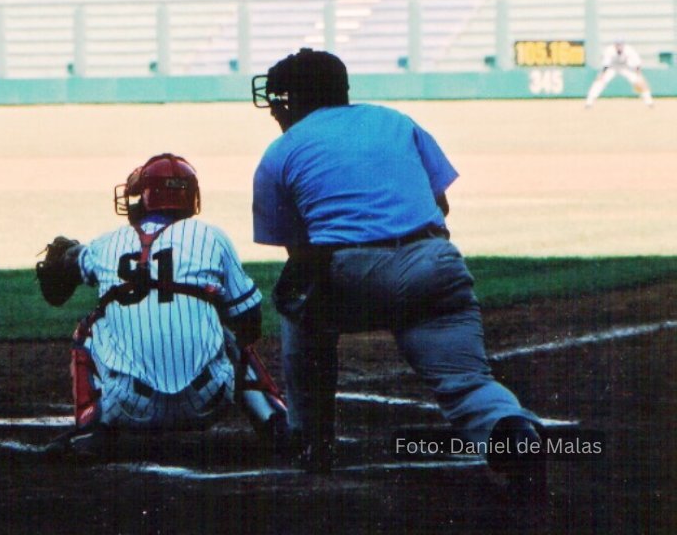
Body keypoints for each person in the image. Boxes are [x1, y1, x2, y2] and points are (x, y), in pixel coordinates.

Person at [250, 48, 546, 499]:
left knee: (297, 303)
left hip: (350, 269)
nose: (274, 109)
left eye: (279, 99)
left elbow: (301, 252)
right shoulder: (396, 120)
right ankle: (514, 433)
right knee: (467, 383)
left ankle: (311, 441)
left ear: (293, 100)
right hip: (436, 261)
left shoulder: (281, 152)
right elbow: (440, 205)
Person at [35, 153, 287, 455]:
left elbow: (69, 264)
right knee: (231, 331)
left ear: (144, 197)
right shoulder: (212, 236)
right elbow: (250, 320)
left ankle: (91, 426)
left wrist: (70, 255)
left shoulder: (107, 244)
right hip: (208, 399)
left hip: (129, 405)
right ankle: (275, 422)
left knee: (89, 327)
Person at [585, 40, 654, 107]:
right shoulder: (609, 50)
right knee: (600, 81)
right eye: (617, 44)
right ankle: (589, 102)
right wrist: (602, 75)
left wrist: (639, 75)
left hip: (625, 67)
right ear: (615, 45)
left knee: (639, 82)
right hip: (612, 67)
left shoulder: (629, 50)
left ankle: (649, 102)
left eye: (620, 44)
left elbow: (636, 63)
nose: (619, 46)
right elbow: (606, 65)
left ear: (623, 45)